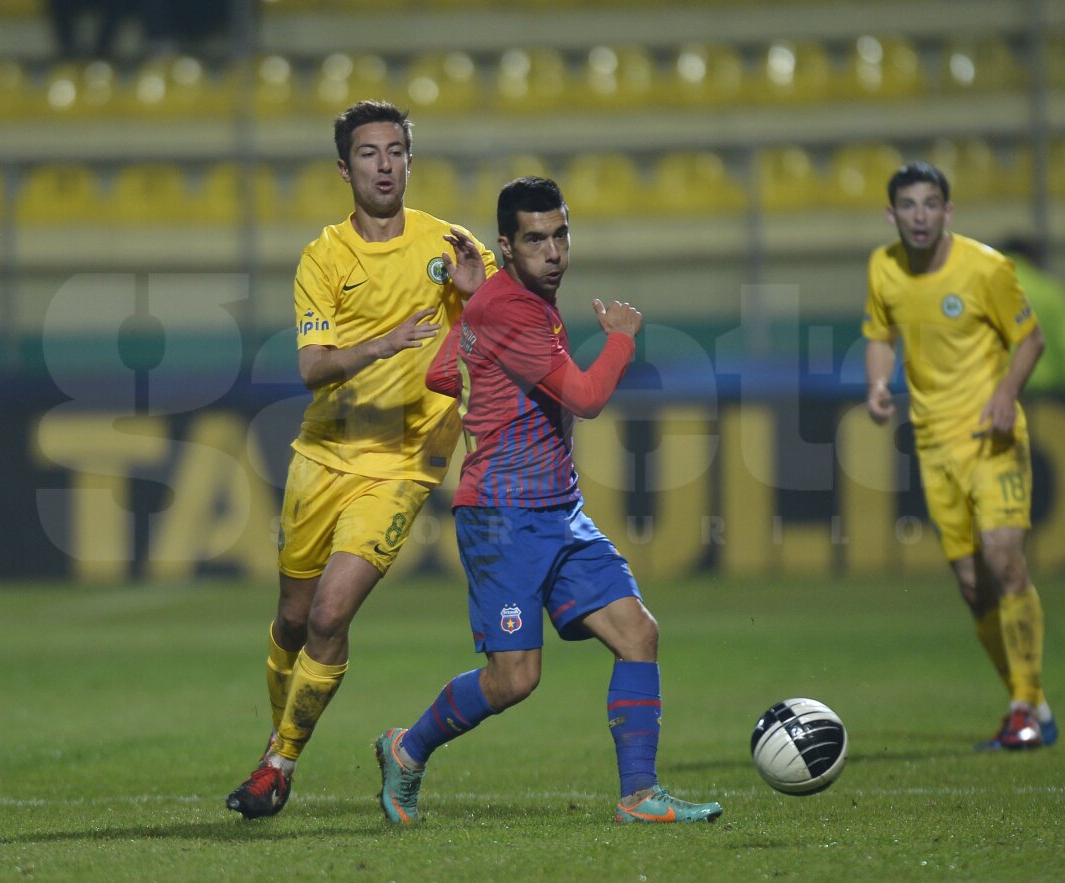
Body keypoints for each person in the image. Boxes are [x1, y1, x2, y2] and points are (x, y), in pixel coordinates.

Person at [373, 176, 724, 825]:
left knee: (637, 633)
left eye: (561, 233)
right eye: (536, 239)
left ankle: (640, 795)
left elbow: (443, 373)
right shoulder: (514, 310)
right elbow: (586, 399)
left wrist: (476, 307)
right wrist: (620, 337)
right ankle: (407, 747)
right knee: (514, 680)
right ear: (507, 244)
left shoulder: (511, 303)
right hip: (503, 518)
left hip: (559, 509)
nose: (554, 250)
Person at [225, 100, 497, 819]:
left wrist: (478, 298)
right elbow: (313, 368)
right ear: (344, 168)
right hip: (323, 453)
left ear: (412, 158)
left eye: (396, 151)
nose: (385, 164)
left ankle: (278, 764)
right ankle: (277, 741)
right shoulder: (324, 257)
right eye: (370, 153)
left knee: (329, 614)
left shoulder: (452, 245)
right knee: (291, 618)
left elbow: (508, 329)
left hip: (405, 462)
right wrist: (382, 343)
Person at [862, 161, 1057, 750]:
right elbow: (879, 333)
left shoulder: (987, 268)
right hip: (933, 443)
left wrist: (1004, 395)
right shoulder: (884, 267)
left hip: (992, 439)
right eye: (908, 206)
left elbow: (1032, 338)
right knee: (974, 586)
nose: (919, 216)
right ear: (891, 214)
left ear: (949, 211)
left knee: (1004, 560)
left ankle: (1023, 705)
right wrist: (877, 383)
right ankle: (1033, 707)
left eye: (930, 205)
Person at [998, 236, 1065, 394]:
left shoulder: (982, 291)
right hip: (1045, 394)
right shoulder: (1049, 291)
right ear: (1030, 258)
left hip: (993, 394)